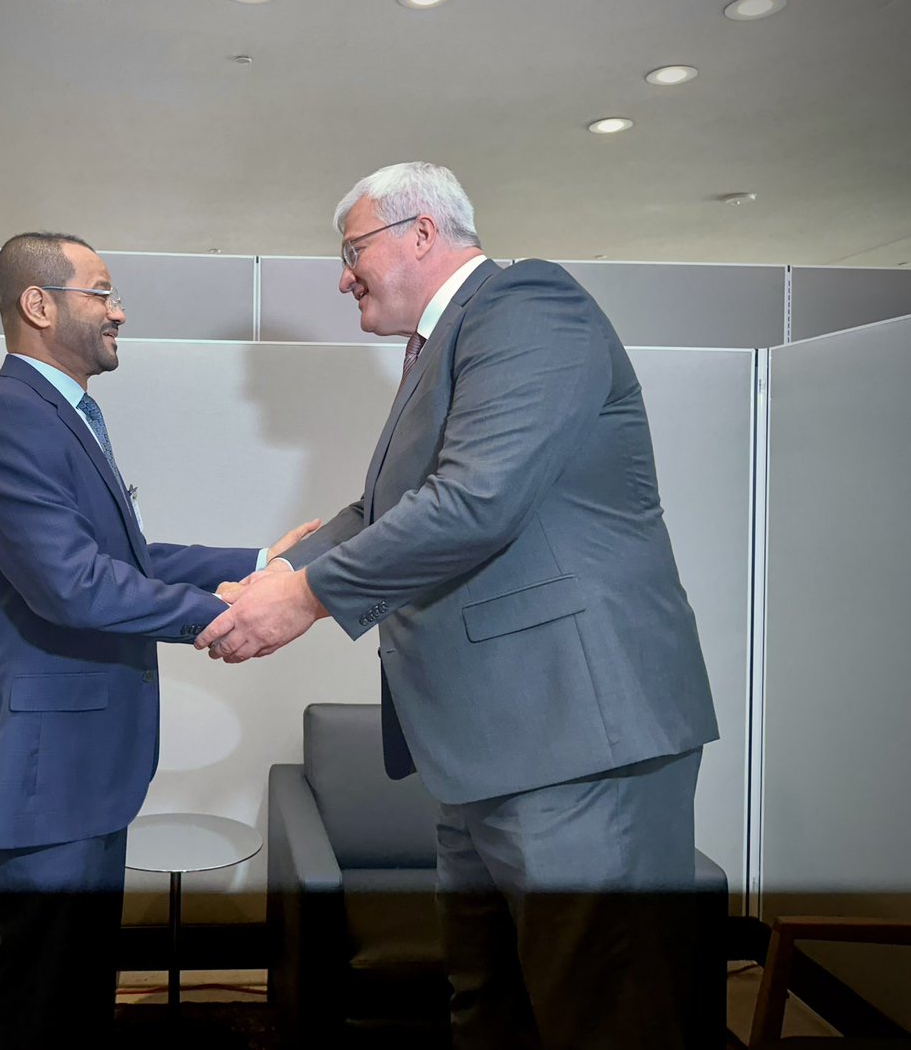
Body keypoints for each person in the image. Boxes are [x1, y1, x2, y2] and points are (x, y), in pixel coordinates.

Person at [196, 163, 720, 1048]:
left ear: (423, 233)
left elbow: (477, 500)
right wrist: (279, 571)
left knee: (606, 1018)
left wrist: (308, 597)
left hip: (576, 746)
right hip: (487, 755)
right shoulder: (436, 349)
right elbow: (391, 509)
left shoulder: (527, 306)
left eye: (353, 249)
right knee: (491, 1013)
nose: (342, 274)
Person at [0, 231, 317, 1048]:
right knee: (37, 1016)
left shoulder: (64, 414)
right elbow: (74, 582)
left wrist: (264, 561)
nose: (119, 311)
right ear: (39, 305)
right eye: (101, 292)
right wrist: (229, 615)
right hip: (39, 784)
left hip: (77, 778)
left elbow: (128, 558)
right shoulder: (10, 419)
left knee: (74, 1004)